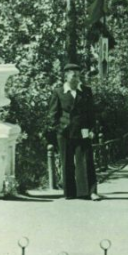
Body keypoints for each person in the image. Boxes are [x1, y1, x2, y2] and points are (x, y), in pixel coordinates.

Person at [47, 63, 101, 201]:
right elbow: (53, 114)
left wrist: (92, 130)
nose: (76, 78)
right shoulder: (58, 92)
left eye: (78, 75)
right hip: (65, 133)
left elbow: (91, 113)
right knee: (67, 162)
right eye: (73, 75)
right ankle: (70, 192)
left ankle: (90, 192)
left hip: (83, 131)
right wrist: (59, 128)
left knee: (86, 161)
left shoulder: (86, 91)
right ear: (66, 76)